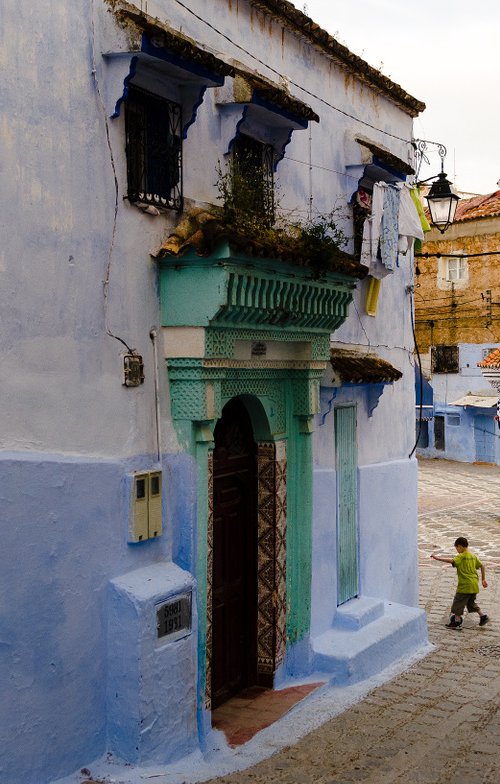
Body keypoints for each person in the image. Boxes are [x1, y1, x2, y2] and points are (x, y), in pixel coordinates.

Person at [430, 537, 489, 629]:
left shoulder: (461, 556)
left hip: (464, 586)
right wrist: (483, 579)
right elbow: (482, 566)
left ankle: (457, 622)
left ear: (460, 546)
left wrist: (438, 558)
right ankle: (483, 616)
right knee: (471, 603)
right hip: (474, 585)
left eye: (456, 548)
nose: (457, 550)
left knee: (457, 603)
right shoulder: (473, 556)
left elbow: (452, 561)